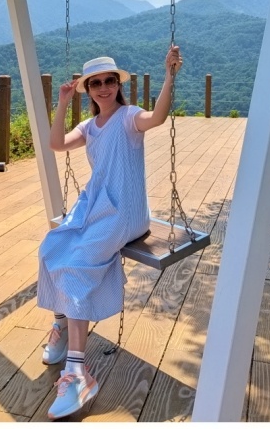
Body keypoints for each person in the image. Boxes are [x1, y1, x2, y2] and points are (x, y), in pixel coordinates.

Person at [37, 45, 182, 420]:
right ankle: (61, 322)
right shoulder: (89, 126)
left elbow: (159, 116)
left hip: (126, 212)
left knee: (77, 266)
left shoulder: (128, 117)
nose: (103, 87)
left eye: (109, 81)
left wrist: (169, 76)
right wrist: (63, 102)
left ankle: (77, 371)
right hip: (95, 206)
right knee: (53, 248)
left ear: (118, 85)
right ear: (88, 89)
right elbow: (55, 145)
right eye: (96, 83)